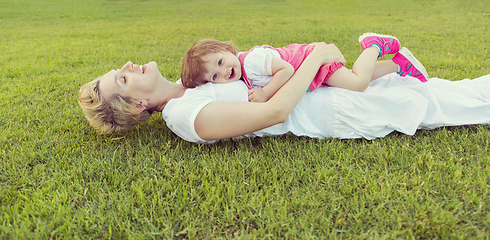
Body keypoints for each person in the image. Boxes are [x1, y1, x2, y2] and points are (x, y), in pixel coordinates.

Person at [78, 42, 490, 144]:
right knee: (452, 103)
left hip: (328, 88)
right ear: (137, 103)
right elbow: (273, 112)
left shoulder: (195, 84)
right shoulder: (185, 118)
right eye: (124, 79)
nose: (128, 67)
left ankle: (389, 61)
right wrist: (317, 56)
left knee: (447, 92)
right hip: (335, 107)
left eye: (121, 70)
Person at [180, 33, 429, 102]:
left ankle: (374, 46)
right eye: (214, 76)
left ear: (227, 50)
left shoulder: (252, 63)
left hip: (314, 62)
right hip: (311, 69)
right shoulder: (243, 70)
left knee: (358, 83)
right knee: (353, 77)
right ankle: (398, 65)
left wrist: (266, 94)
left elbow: (287, 70)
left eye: (221, 62)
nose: (223, 72)